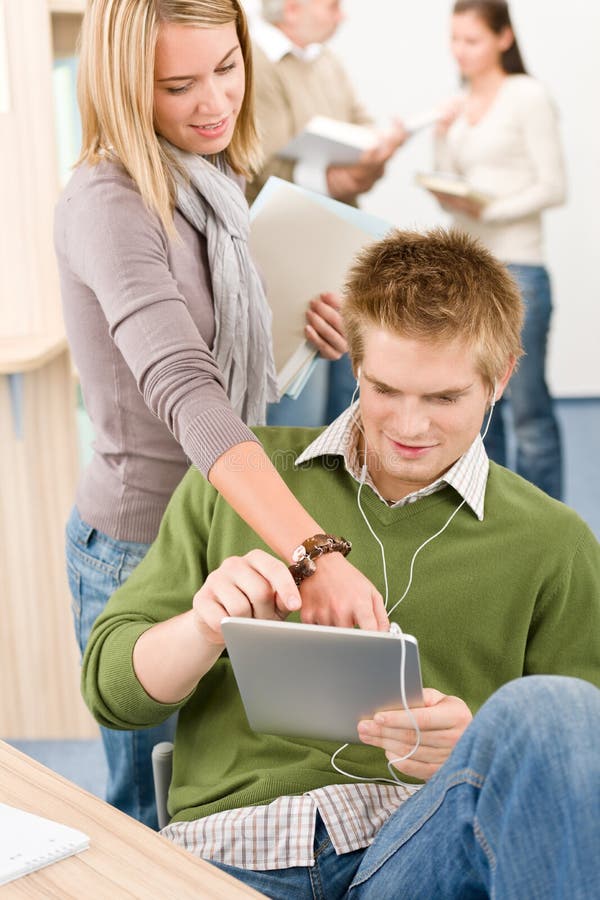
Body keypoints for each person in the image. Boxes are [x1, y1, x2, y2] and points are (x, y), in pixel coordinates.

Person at [81, 227, 600, 898]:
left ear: (501, 375)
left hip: (416, 852)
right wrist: (203, 627)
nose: (410, 428)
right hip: (232, 854)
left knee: (554, 710)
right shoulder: (248, 478)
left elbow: (576, 763)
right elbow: (111, 693)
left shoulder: (553, 540)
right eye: (385, 389)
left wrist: (475, 747)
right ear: (353, 362)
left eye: (444, 398)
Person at [55, 0, 386, 830]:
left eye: (228, 68)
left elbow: (226, 333)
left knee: (213, 786)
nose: (214, 102)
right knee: (147, 805)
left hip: (225, 520)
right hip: (141, 543)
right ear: (124, 85)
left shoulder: (213, 178)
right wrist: (311, 550)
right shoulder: (109, 199)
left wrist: (293, 326)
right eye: (178, 84)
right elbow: (185, 385)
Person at [429, 0, 566, 499]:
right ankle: (499, 520)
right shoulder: (459, 100)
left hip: (520, 269)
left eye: (472, 40)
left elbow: (555, 187)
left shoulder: (527, 96)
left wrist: (490, 209)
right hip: (472, 273)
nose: (460, 51)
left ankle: (550, 525)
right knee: (482, 410)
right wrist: (443, 137)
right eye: (455, 40)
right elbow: (452, 178)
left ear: (503, 38)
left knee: (528, 409)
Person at [249, 0, 406, 427]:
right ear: (293, 7)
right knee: (300, 413)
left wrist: (375, 153)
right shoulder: (253, 64)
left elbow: (363, 126)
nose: (342, 15)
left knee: (349, 398)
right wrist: (342, 178)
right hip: (289, 258)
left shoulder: (329, 63)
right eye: (333, 4)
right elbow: (259, 166)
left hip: (339, 250)